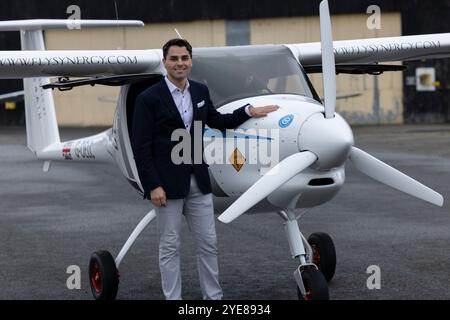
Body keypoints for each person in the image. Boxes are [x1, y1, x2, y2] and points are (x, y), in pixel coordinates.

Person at [131, 38, 278, 300]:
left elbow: (217, 120)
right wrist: (152, 185)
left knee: (208, 245)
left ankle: (214, 298)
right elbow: (141, 147)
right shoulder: (148, 99)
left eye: (184, 58)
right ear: (164, 62)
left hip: (199, 181)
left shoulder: (199, 91)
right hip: (166, 185)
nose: (179, 63)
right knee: (170, 247)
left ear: (191, 61)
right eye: (174, 59)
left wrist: (248, 110)